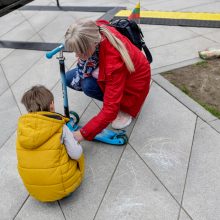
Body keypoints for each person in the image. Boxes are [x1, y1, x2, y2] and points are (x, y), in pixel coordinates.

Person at [65, 19, 151, 142]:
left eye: (81, 52)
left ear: (93, 44)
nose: (77, 56)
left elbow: (110, 110)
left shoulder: (113, 63)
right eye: (75, 51)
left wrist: (83, 134)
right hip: (119, 72)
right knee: (69, 78)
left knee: (88, 86)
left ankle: (124, 110)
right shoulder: (95, 30)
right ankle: (112, 96)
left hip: (133, 87)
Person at [16, 85, 84, 202]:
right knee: (76, 152)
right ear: (51, 105)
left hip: (34, 190)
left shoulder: (22, 131)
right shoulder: (61, 127)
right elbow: (76, 154)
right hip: (62, 188)